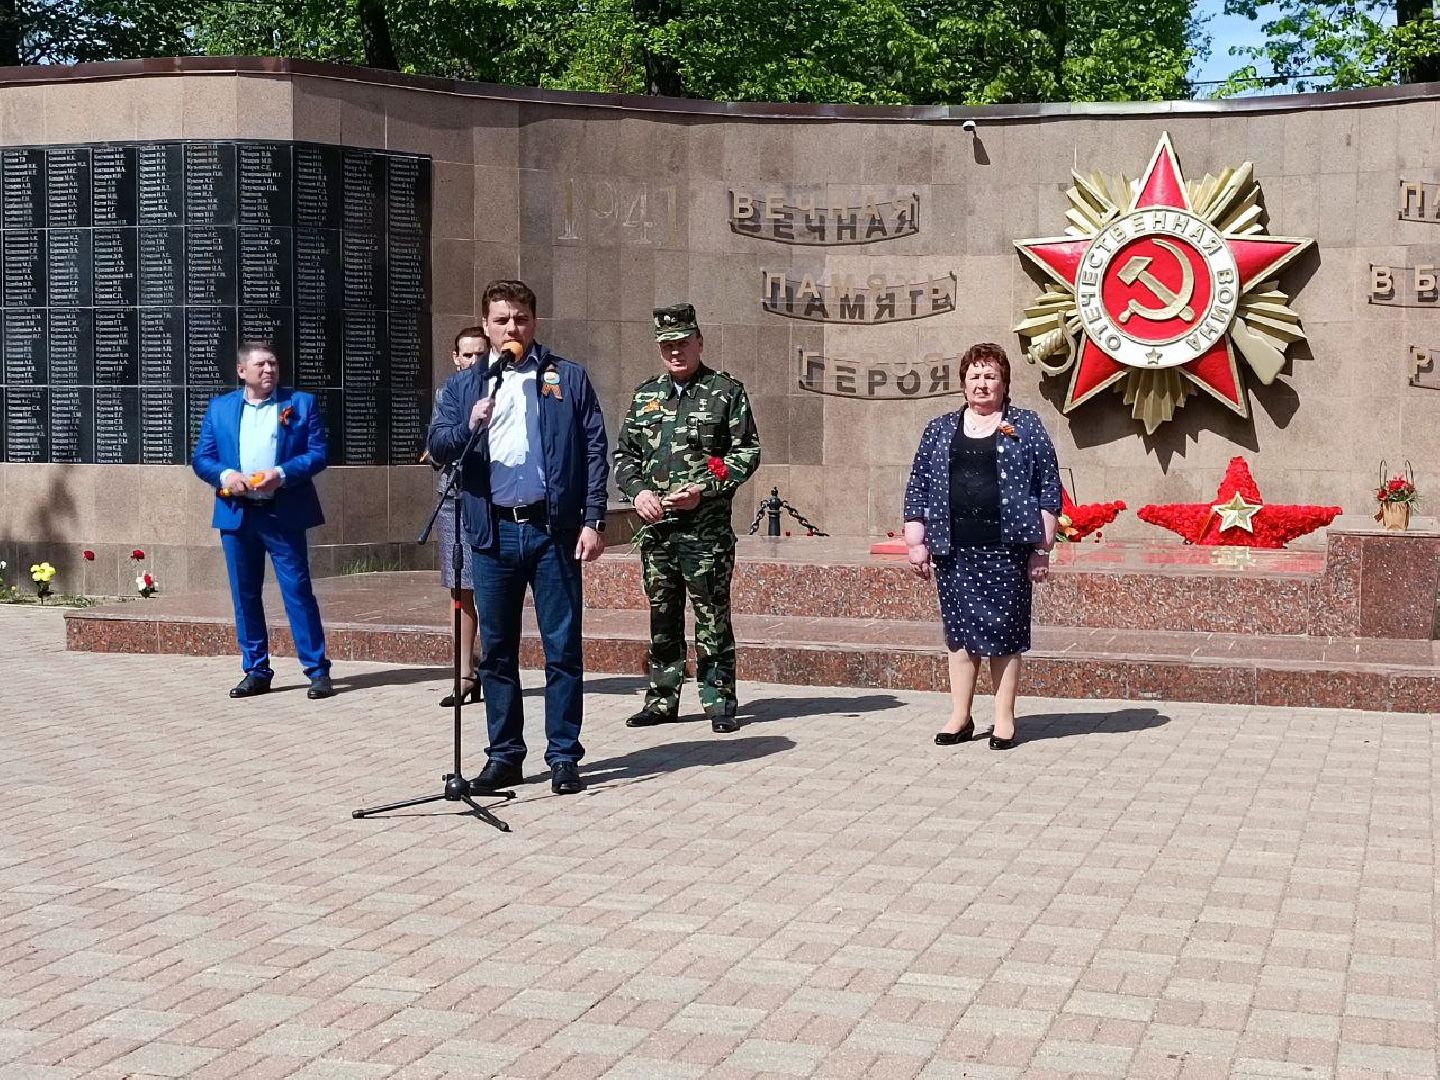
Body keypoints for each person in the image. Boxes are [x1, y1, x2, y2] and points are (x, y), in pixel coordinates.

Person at [428, 280, 609, 796]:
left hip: (553, 532)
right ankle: (505, 756)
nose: (512, 328)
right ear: (486, 326)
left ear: (534, 322)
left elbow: (594, 448)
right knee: (498, 653)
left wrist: (594, 519)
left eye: (521, 319)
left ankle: (564, 756)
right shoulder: (465, 387)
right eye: (502, 320)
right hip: (493, 533)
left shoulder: (566, 377)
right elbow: (438, 445)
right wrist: (468, 425)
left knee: (562, 649)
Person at [902, 342, 1060, 750]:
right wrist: (917, 540)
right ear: (963, 383)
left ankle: (1004, 718)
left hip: (1006, 550)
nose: (982, 383)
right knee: (959, 636)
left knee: (1005, 635)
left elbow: (1048, 485)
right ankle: (961, 716)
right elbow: (919, 484)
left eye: (991, 376)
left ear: (1005, 383)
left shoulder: (1025, 425)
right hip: (954, 551)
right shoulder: (939, 429)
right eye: (974, 376)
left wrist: (1042, 547)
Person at [612, 303, 761, 733]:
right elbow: (625, 455)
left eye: (682, 343)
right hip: (658, 532)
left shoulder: (725, 392)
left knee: (711, 617)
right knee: (663, 616)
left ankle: (719, 702)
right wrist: (639, 492)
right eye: (667, 345)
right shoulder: (646, 396)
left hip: (705, 533)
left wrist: (706, 488)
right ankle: (662, 700)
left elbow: (745, 453)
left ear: (699, 342)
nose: (675, 351)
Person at [192, 342, 335, 700]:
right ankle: (256, 670)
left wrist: (281, 474)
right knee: (245, 595)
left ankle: (317, 671)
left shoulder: (300, 403)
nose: (269, 370)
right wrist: (227, 476)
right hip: (238, 515)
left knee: (298, 591)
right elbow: (202, 458)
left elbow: (318, 454)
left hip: (282, 513)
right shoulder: (220, 408)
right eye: (261, 365)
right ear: (242, 371)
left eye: (273, 363)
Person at [427, 325, 490, 708]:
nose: (474, 361)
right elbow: (438, 443)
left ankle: (494, 669)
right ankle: (465, 672)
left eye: (481, 354)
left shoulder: (500, 387)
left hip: (493, 497)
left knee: (490, 588)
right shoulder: (448, 393)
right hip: (455, 496)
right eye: (467, 355)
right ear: (455, 358)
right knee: (460, 587)